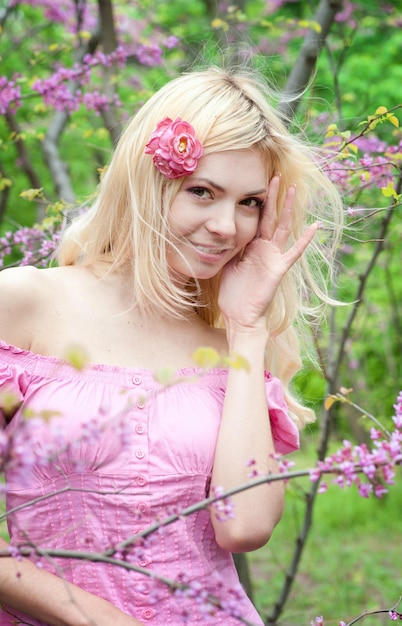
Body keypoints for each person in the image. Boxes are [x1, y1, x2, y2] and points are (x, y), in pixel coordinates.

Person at [0, 66, 343, 626]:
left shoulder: (228, 346)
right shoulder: (23, 305)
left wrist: (249, 332)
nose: (226, 226)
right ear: (147, 182)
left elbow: (245, 526)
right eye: (202, 192)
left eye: (249, 202)